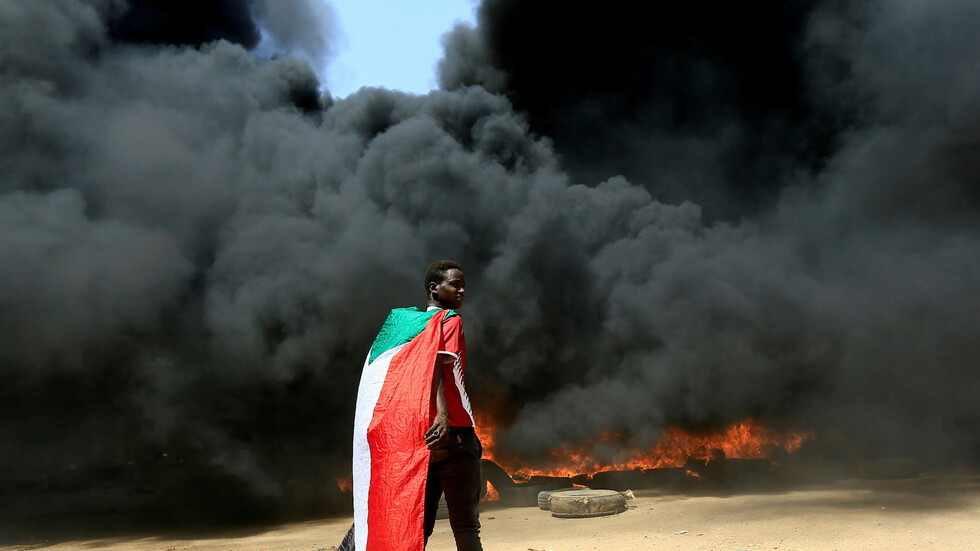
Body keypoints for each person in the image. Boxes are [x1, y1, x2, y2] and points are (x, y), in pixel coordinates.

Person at [343, 260, 483, 551]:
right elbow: (433, 365)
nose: (462, 290)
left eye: (463, 284)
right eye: (455, 284)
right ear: (434, 287)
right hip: (455, 436)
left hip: (420, 442)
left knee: (417, 526)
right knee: (466, 528)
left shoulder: (403, 326)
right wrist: (443, 413)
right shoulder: (449, 320)